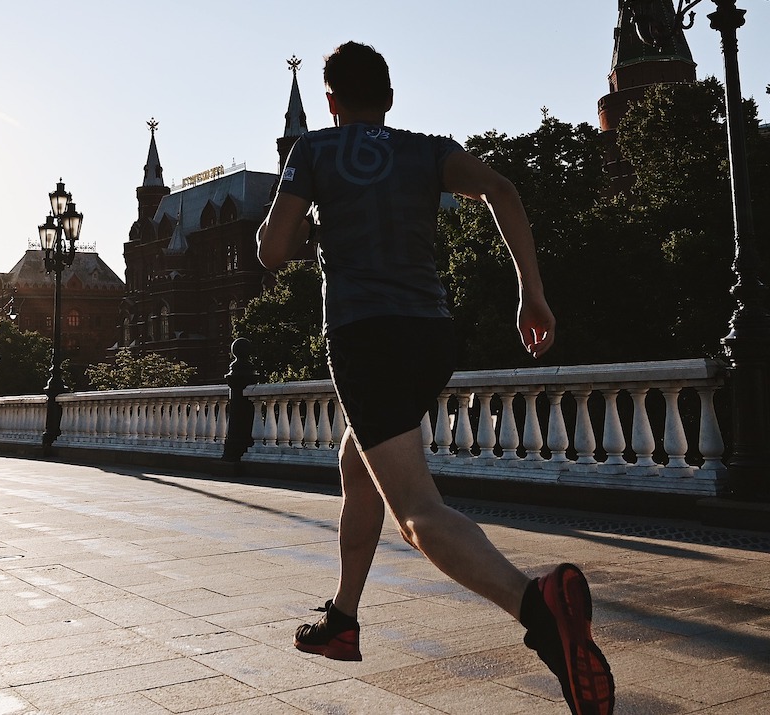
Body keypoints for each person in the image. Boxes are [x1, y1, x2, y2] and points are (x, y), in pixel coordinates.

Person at [256, 41, 614, 715]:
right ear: (388, 99)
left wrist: (302, 227)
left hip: (366, 335)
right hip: (430, 334)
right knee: (359, 462)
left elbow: (272, 251)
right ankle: (343, 617)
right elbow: (502, 189)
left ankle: (540, 609)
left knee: (416, 513)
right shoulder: (426, 148)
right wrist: (531, 294)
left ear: (330, 101)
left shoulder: (314, 150)